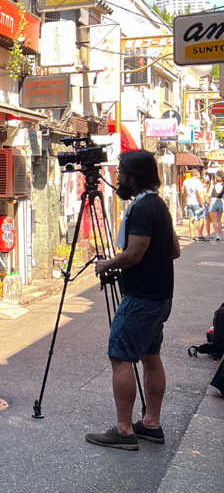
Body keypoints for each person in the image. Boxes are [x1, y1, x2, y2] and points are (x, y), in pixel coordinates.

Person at [86, 150, 180, 449]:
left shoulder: (141, 209)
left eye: (122, 173)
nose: (118, 179)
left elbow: (134, 254)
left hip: (141, 297)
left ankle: (124, 430)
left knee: (121, 356)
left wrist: (107, 264)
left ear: (134, 176)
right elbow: (174, 249)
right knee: (150, 356)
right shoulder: (158, 205)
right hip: (160, 296)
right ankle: (151, 424)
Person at [182, 168, 207, 239]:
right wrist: (202, 204)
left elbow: (183, 192)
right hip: (197, 202)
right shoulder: (197, 182)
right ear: (197, 174)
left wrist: (186, 199)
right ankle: (200, 235)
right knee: (201, 218)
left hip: (189, 202)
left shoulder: (185, 181)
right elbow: (198, 193)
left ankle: (192, 235)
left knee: (191, 219)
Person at [207, 168, 224, 241]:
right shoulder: (223, 186)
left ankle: (216, 235)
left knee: (214, 220)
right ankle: (220, 235)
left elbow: (209, 195)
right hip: (220, 201)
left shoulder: (212, 186)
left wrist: (207, 202)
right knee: (219, 220)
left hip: (213, 201)